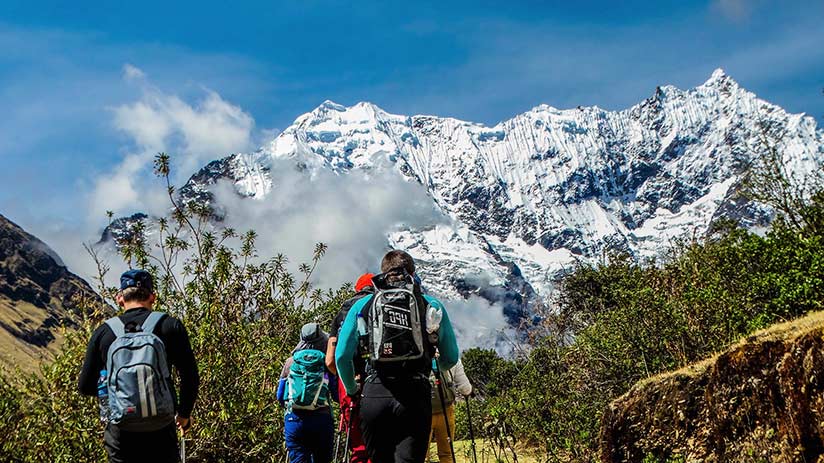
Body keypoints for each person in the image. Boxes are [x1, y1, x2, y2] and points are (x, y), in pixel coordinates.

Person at [336, 250, 459, 463]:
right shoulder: (431, 304)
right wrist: (432, 363)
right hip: (415, 394)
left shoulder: (363, 305)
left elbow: (341, 357)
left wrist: (352, 389)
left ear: (383, 273)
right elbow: (451, 357)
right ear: (412, 273)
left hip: (375, 391)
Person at [78, 269, 199, 463]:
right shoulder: (170, 326)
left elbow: (85, 386)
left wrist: (118, 392)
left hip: (121, 430)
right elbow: (190, 376)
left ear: (119, 299)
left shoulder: (104, 333)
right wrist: (184, 414)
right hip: (161, 428)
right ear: (153, 297)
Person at [326, 273, 375, 463]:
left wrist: (345, 382)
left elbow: (331, 361)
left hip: (348, 386)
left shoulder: (343, 312)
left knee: (358, 449)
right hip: (379, 383)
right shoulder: (379, 306)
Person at [278, 323, 339, 463]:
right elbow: (336, 395)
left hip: (295, 420)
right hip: (322, 421)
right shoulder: (326, 362)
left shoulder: (290, 362)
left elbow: (280, 396)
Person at [427, 358, 472, 463]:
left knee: (420, 455)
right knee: (447, 454)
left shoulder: (415, 356)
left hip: (422, 413)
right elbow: (465, 389)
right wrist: (469, 390)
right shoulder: (450, 357)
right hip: (446, 411)